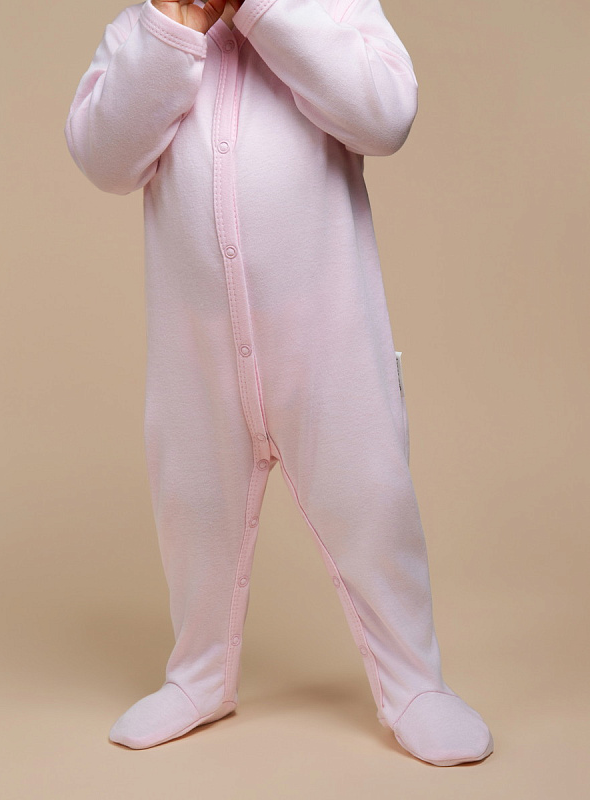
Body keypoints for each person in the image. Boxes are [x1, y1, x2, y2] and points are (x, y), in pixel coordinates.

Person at [64, 0, 494, 766]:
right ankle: (198, 674)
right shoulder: (143, 30)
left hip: (328, 341)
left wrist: (265, 11)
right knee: (193, 505)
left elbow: (386, 116)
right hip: (195, 351)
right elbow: (104, 158)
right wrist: (173, 30)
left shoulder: (326, 10)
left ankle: (414, 682)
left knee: (370, 497)